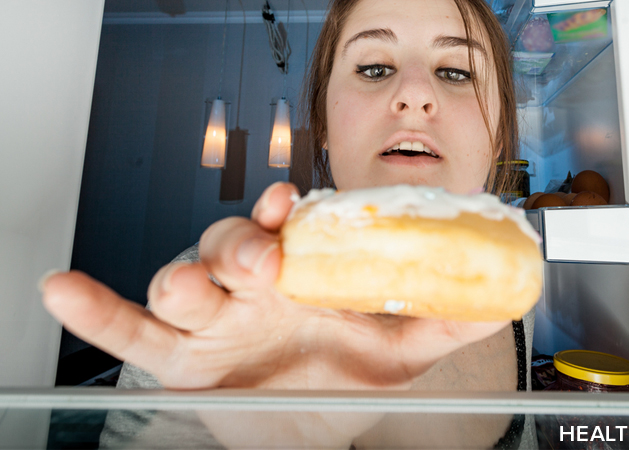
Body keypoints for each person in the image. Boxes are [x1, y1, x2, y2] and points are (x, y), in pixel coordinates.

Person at [41, 0, 536, 447]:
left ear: (498, 136)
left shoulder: (511, 292)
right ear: (321, 124)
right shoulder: (212, 298)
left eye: (455, 72)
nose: (413, 94)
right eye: (375, 67)